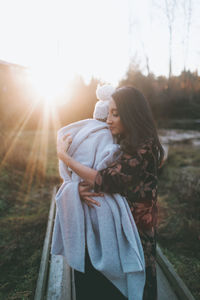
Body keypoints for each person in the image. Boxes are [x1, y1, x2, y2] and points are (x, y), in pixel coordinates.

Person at [57, 86, 164, 300]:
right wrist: (76, 189)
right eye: (108, 113)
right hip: (120, 233)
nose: (108, 120)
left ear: (131, 114)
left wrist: (64, 157)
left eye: (115, 114)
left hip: (136, 235)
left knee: (137, 286)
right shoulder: (125, 142)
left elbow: (107, 180)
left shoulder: (145, 147)